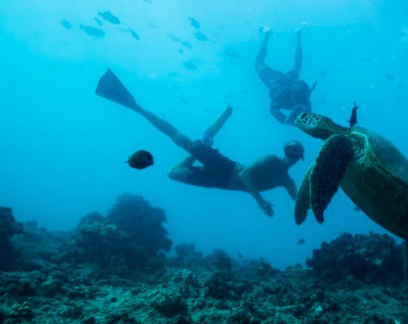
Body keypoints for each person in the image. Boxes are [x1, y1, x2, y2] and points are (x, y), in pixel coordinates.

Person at [95, 69, 304, 217]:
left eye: (293, 155)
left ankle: (203, 144)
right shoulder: (272, 159)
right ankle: (137, 107)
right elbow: (245, 174)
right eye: (289, 151)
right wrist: (260, 201)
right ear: (284, 150)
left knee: (173, 173)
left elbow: (302, 203)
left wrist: (318, 194)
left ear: (298, 160)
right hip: (227, 168)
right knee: (179, 139)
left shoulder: (287, 182)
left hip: (221, 183)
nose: (289, 156)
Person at [255, 27, 314, 124]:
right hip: (275, 80)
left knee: (297, 66)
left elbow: (309, 114)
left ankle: (296, 34)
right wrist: (284, 119)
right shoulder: (281, 94)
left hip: (289, 81)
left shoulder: (304, 98)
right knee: (258, 62)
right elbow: (273, 110)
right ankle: (268, 34)